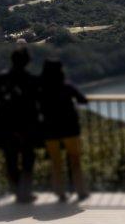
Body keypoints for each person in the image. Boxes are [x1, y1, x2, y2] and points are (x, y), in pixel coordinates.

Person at [0, 41, 42, 204]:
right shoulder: (32, 80)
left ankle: (17, 192)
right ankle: (26, 192)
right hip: (27, 127)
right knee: (28, 159)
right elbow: (39, 103)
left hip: (5, 127)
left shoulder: (1, 79)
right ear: (27, 62)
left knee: (11, 160)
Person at [38, 59, 90, 203]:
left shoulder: (41, 88)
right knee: (75, 161)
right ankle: (80, 191)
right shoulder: (67, 86)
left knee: (56, 163)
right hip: (70, 129)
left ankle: (60, 192)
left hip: (49, 130)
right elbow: (83, 100)